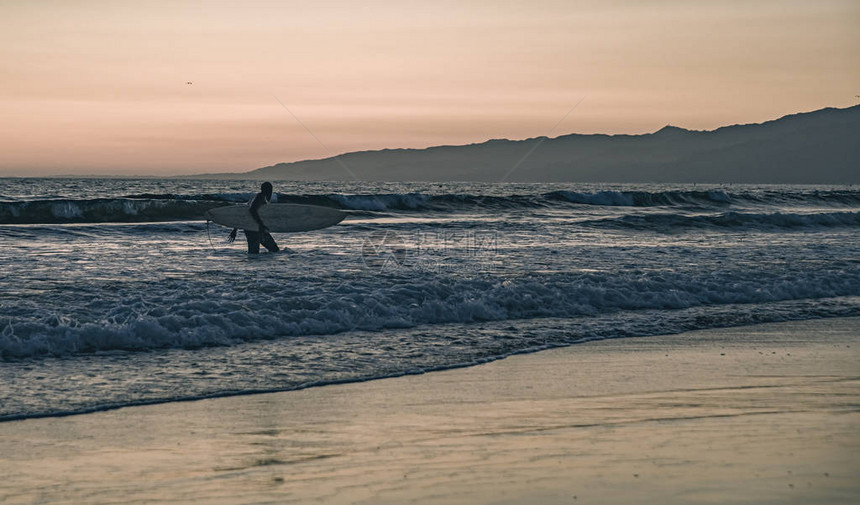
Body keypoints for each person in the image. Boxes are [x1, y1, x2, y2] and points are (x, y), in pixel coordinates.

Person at [227, 182, 280, 254]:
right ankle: (256, 264)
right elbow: (252, 210)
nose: (270, 193)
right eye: (270, 190)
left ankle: (262, 264)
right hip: (253, 229)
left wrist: (235, 229)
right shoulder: (260, 197)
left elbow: (244, 214)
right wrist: (261, 225)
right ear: (266, 190)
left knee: (271, 250)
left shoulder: (256, 198)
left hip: (252, 228)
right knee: (266, 251)